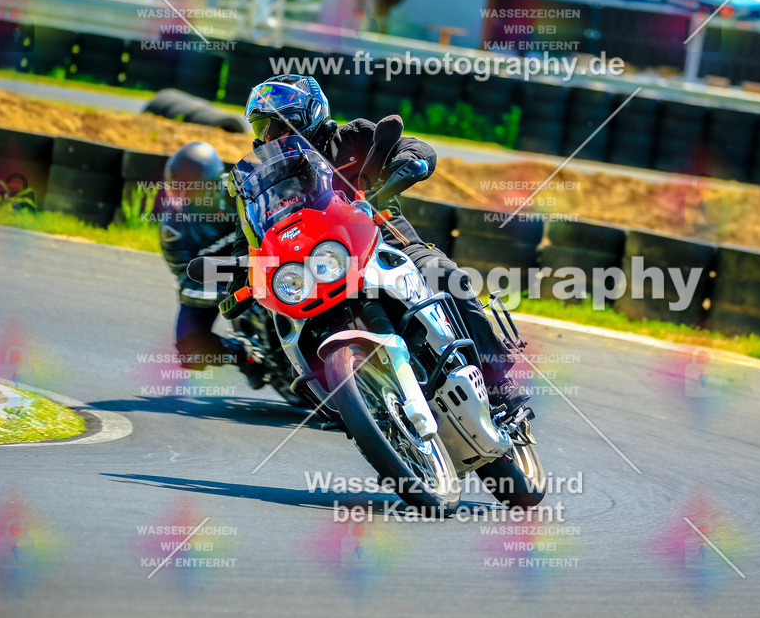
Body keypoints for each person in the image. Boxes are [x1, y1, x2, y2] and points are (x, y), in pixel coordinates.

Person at [226, 75, 528, 418]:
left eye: (281, 124)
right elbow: (249, 238)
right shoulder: (270, 179)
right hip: (323, 270)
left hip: (388, 246)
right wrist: (240, 271)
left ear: (310, 114)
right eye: (263, 128)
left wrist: (412, 160)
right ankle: (348, 405)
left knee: (444, 274)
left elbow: (410, 147)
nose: (271, 136)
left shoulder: (351, 137)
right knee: (287, 322)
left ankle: (497, 379)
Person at [158, 141, 267, 389]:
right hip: (215, 280)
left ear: (213, 183)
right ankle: (242, 353)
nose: (183, 198)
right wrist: (233, 291)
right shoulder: (172, 229)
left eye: (191, 191)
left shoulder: (242, 190)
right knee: (190, 351)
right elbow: (187, 282)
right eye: (177, 189)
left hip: (261, 261)